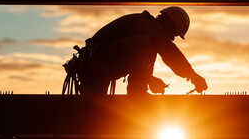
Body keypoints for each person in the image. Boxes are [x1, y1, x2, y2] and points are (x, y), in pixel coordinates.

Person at [79, 6, 208, 95]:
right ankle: (137, 94)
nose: (172, 38)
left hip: (99, 65)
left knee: (96, 115)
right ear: (169, 23)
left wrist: (150, 80)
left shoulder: (150, 34)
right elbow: (170, 52)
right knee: (145, 43)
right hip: (95, 63)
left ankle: (138, 93)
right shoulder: (148, 25)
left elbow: (138, 63)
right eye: (174, 33)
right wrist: (192, 75)